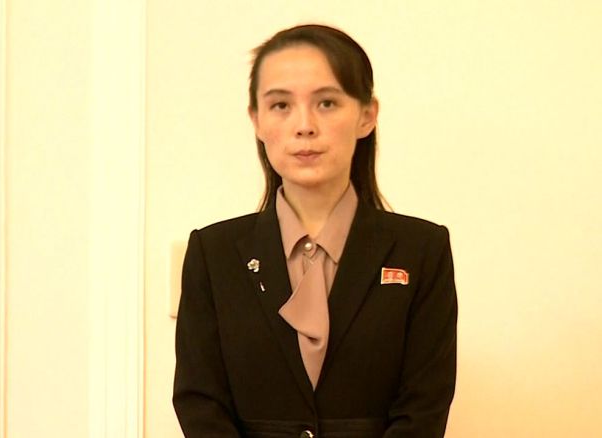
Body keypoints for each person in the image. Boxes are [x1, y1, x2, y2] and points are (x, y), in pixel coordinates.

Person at [173, 24, 457, 438]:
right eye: (280, 105)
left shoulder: (422, 249)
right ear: (256, 120)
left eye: (326, 103)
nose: (304, 125)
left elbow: (424, 408)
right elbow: (200, 402)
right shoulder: (213, 253)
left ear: (366, 115)